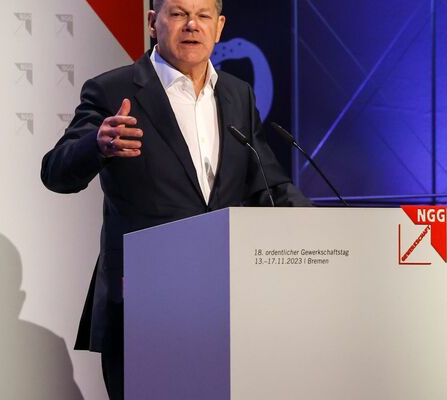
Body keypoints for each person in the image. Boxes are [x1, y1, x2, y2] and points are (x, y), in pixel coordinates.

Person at [40, 0, 310, 398]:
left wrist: (321, 227)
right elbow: (56, 173)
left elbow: (267, 183)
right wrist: (96, 145)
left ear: (219, 28)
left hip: (223, 304)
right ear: (154, 22)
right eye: (179, 13)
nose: (192, 26)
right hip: (144, 308)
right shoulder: (112, 90)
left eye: (203, 16)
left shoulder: (237, 94)